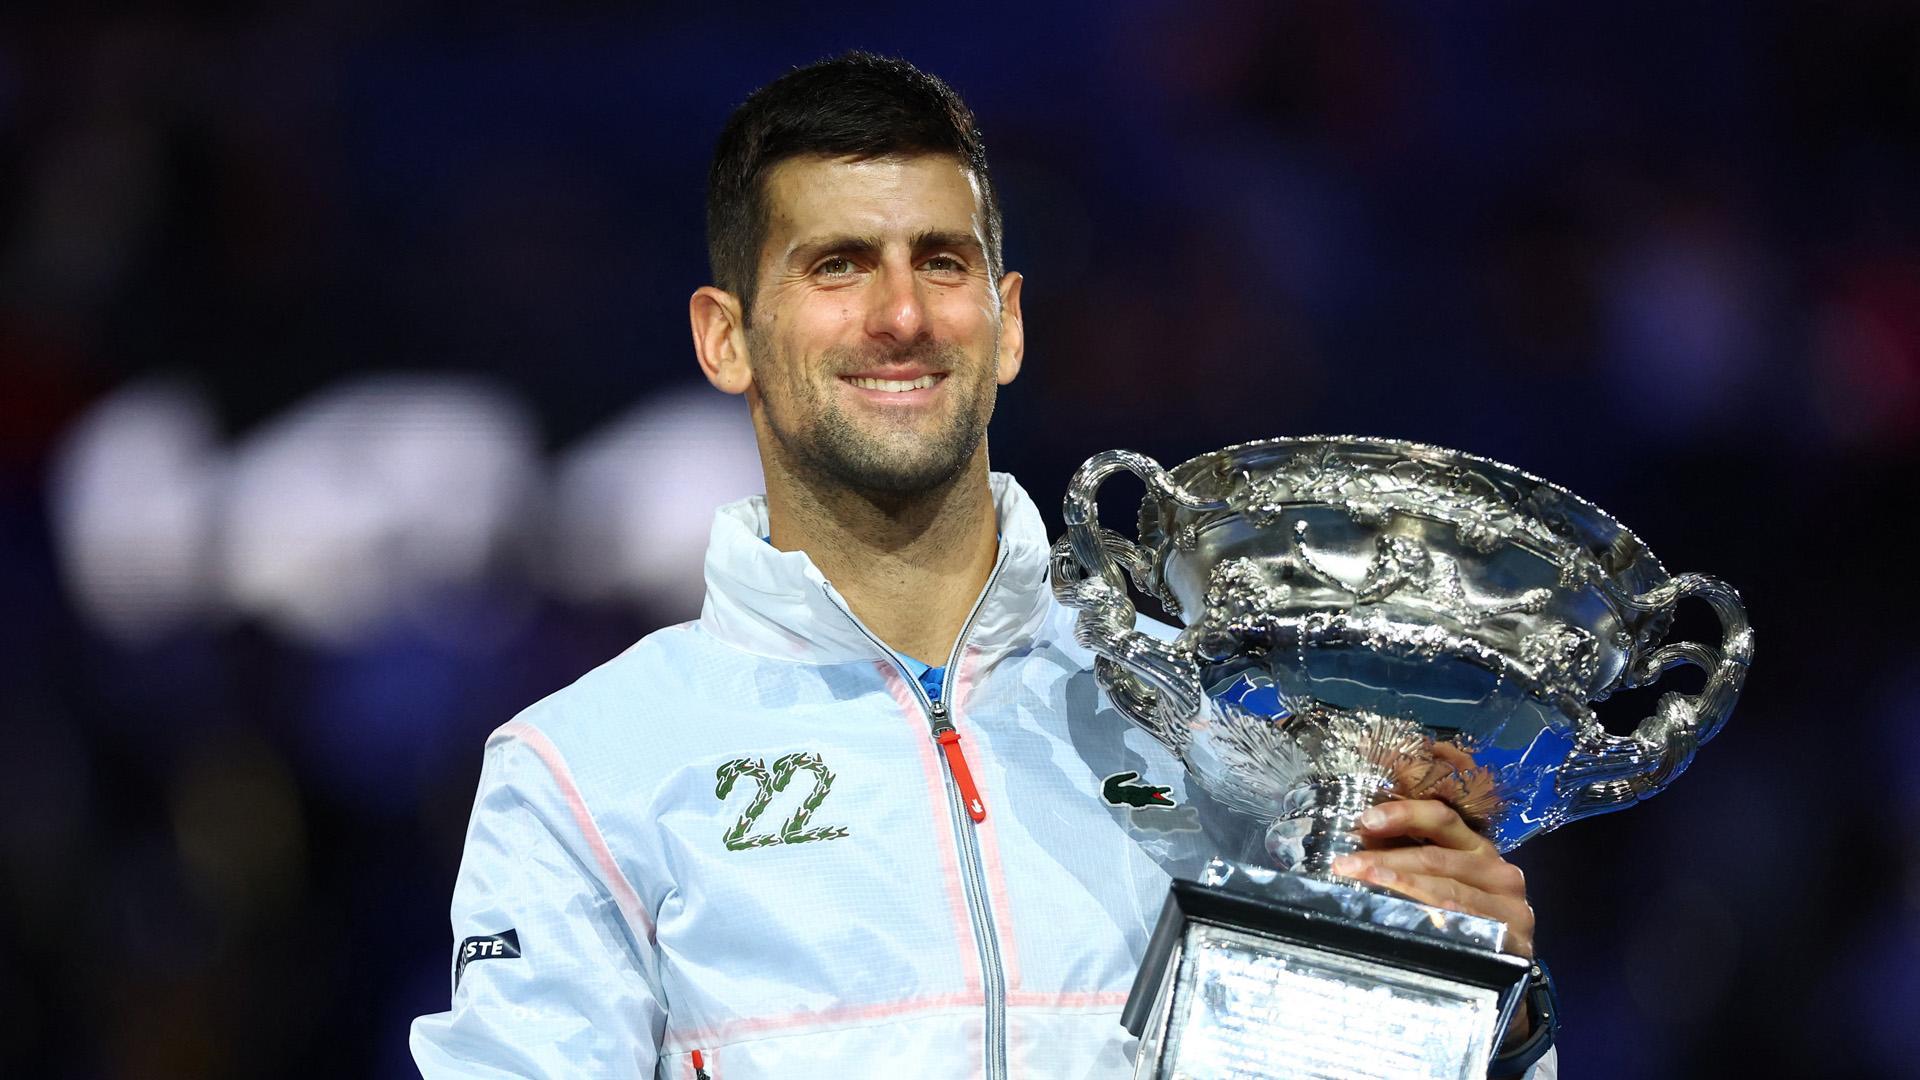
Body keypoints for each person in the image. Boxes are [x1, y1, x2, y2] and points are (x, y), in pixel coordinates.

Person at [411, 52, 1555, 1078]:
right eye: (839, 265)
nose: (902, 314)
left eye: (942, 262)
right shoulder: (585, 769)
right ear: (727, 337)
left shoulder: (1230, 722)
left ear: (1005, 323)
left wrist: (1472, 1011)